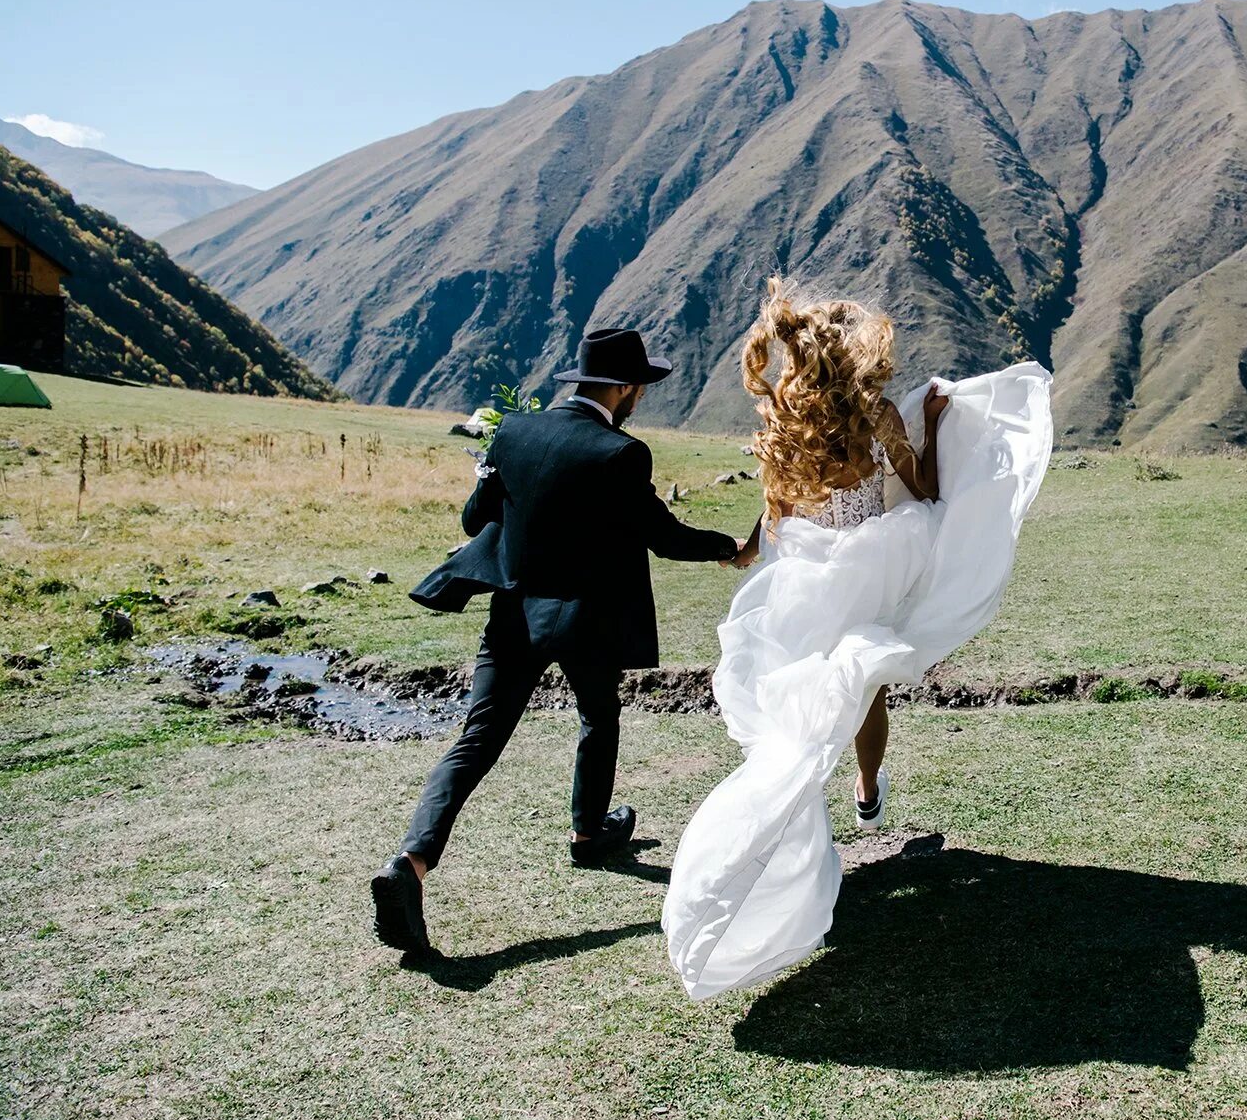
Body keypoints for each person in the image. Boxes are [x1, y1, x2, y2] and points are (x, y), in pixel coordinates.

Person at [663, 278, 1053, 1000]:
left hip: (805, 575)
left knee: (810, 705)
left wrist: (751, 554)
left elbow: (773, 508)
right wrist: (933, 425)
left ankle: (807, 828)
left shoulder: (786, 421)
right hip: (870, 567)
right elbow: (928, 490)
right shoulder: (876, 417)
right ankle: (867, 790)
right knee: (861, 680)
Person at [371, 328, 740, 955]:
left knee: (475, 742)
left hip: (513, 611)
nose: (637, 400)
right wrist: (733, 547)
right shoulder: (621, 452)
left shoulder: (514, 431)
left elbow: (473, 520)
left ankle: (411, 862)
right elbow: (665, 536)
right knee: (598, 716)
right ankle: (588, 834)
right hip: (585, 619)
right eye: (638, 389)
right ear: (624, 388)